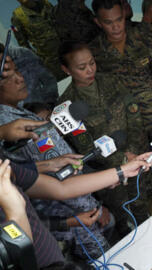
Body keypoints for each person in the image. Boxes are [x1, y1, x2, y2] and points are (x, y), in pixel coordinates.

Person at [0, 61, 115, 260]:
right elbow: (59, 182)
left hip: (80, 213)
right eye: (5, 77)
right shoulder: (9, 125)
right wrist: (92, 209)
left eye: (17, 70)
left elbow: (52, 164)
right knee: (106, 260)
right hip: (75, 219)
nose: (19, 79)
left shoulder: (20, 113)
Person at [57, 41, 152, 235]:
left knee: (144, 203)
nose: (90, 70)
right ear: (66, 70)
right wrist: (122, 160)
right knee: (122, 219)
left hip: (135, 153)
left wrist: (134, 150)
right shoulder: (67, 107)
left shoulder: (111, 81)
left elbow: (133, 112)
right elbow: (86, 149)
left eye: (92, 63)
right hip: (109, 173)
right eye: (82, 67)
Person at [0, 152, 152, 269]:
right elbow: (18, 255)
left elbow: (60, 188)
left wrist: (123, 171)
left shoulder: (4, 170)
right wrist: (15, 211)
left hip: (56, 259)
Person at [90, 0, 152, 141]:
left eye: (119, 19)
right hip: (126, 120)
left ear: (124, 15)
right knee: (138, 160)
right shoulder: (95, 50)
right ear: (98, 22)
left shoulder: (144, 35)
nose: (116, 27)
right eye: (108, 22)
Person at [11, 0, 66, 81]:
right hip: (52, 64)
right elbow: (23, 45)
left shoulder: (45, 4)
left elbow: (61, 22)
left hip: (68, 51)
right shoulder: (17, 17)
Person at [0, 43, 58, 107]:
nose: (20, 79)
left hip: (44, 108)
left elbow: (48, 79)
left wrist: (50, 104)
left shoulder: (22, 54)